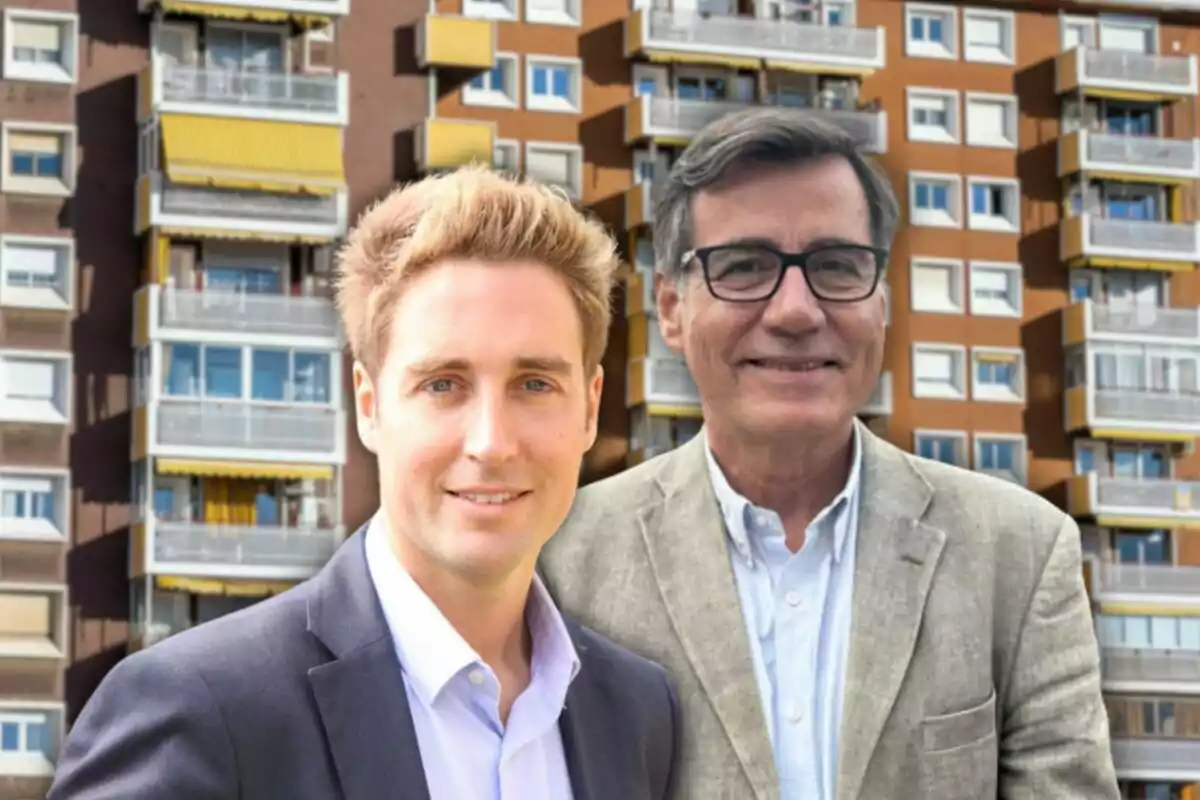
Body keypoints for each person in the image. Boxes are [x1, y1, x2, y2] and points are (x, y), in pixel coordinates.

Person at [539, 109, 1120, 800]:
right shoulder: (560, 560)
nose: (794, 311)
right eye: (745, 266)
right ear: (671, 308)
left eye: (837, 267)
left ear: (882, 302)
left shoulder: (1018, 556)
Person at [49, 166, 680, 800]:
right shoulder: (197, 709)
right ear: (370, 404)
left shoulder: (636, 712)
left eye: (534, 385)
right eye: (443, 385)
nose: (491, 442)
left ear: (591, 409)